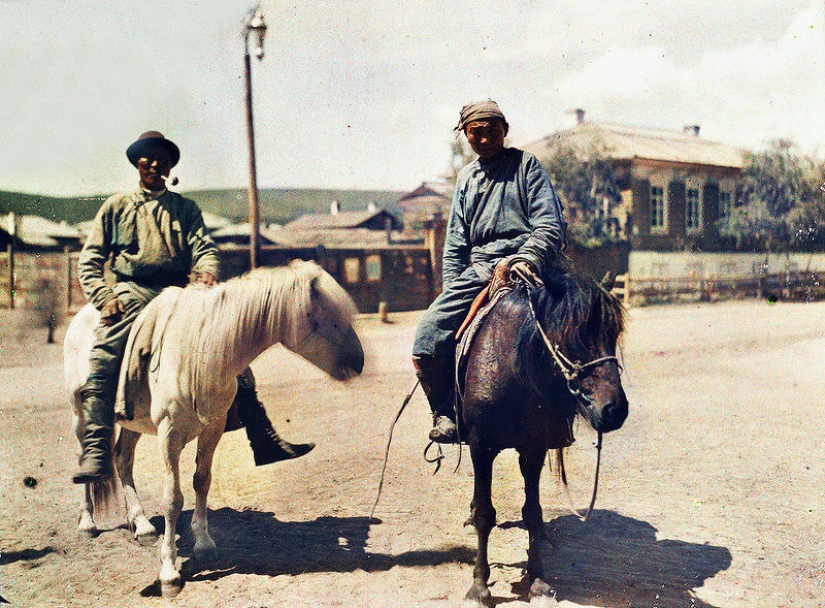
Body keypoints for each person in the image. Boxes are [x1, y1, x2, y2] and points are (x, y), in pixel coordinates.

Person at [73, 130, 313, 484]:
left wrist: (205, 272)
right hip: (133, 291)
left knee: (230, 352)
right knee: (106, 350)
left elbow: (204, 248)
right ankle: (95, 446)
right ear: (137, 163)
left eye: (163, 159)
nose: (155, 164)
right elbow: (90, 259)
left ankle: (261, 436)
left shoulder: (185, 209)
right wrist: (104, 297)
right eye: (148, 157)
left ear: (171, 167)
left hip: (180, 294)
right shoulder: (116, 207)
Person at [412, 100, 568, 443]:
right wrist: (453, 294)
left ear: (505, 130)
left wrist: (527, 257)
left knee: (575, 325)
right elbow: (455, 243)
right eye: (475, 133)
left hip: (529, 265)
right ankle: (445, 412)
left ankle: (563, 413)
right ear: (466, 137)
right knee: (427, 334)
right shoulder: (466, 178)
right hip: (482, 270)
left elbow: (548, 224)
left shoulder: (527, 167)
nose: (484, 140)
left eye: (492, 131)